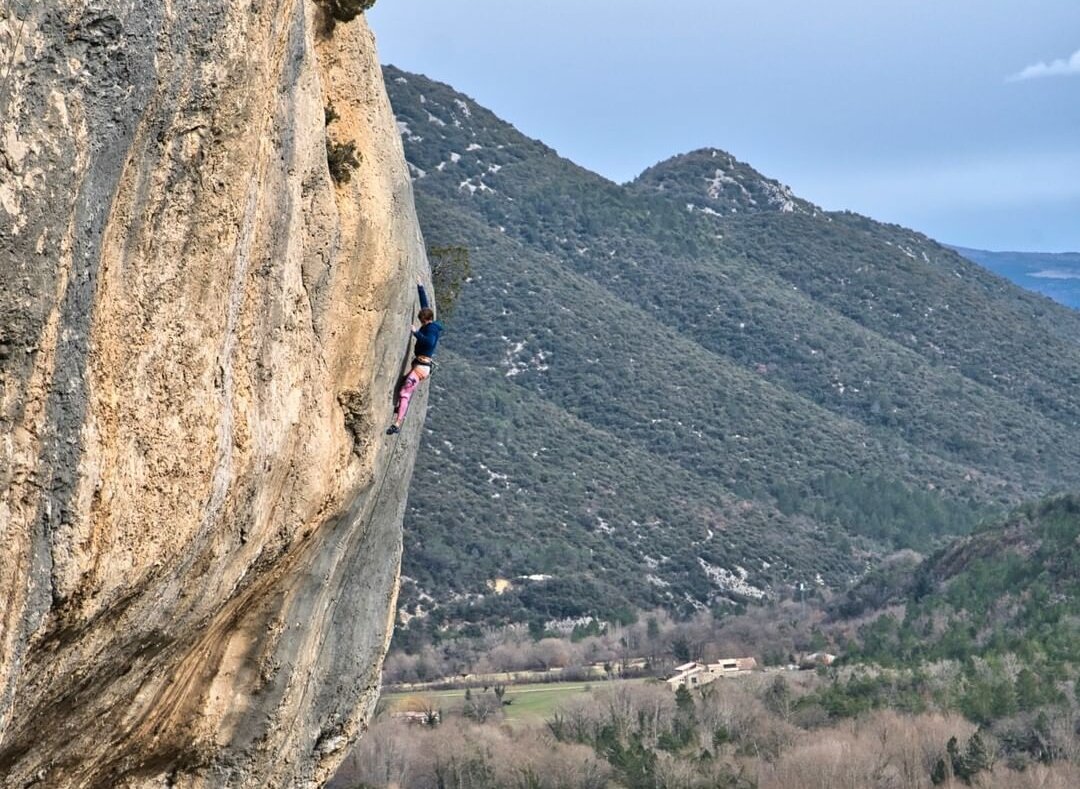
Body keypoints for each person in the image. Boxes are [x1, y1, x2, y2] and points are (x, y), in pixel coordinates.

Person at [387, 277, 443, 435]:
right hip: (421, 366)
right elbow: (424, 304)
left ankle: (397, 423)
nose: (422, 323)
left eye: (422, 322)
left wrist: (416, 333)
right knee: (405, 386)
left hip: (421, 367)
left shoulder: (431, 330)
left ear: (426, 320)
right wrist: (420, 287)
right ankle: (400, 410)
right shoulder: (431, 322)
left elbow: (429, 343)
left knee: (405, 392)